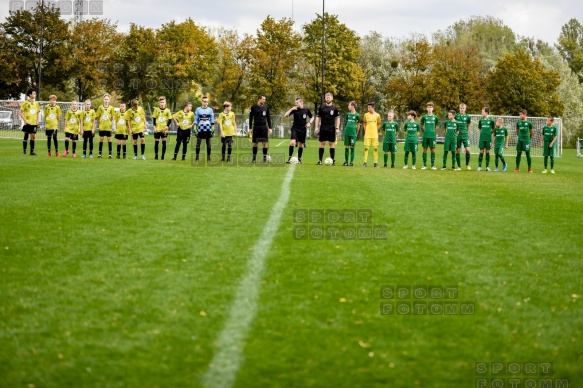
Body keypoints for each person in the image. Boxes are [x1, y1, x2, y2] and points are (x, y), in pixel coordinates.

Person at [284, 98, 313, 164]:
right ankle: (289, 158)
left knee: (301, 145)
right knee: (292, 143)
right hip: (295, 128)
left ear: (301, 102)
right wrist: (291, 109)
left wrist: (309, 123)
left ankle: (299, 159)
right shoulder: (295, 109)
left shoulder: (306, 109)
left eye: (297, 103)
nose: (296, 104)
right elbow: (285, 115)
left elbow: (312, 117)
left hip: (303, 129)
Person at [314, 92, 340, 165]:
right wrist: (316, 127)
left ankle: (332, 160)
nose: (328, 98)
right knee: (322, 143)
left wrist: (337, 128)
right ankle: (320, 160)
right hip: (323, 128)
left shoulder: (335, 108)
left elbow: (337, 118)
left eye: (329, 97)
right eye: (326, 97)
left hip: (331, 128)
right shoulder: (322, 107)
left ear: (332, 98)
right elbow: (318, 117)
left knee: (331, 143)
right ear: (325, 98)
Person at [249, 94, 273, 163]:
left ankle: (265, 158)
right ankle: (254, 159)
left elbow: (268, 118)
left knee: (264, 143)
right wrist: (250, 127)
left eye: (265, 99)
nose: (264, 100)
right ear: (259, 99)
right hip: (256, 127)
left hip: (264, 127)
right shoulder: (253, 107)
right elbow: (251, 118)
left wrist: (270, 127)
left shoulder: (266, 107)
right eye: (263, 99)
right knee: (255, 143)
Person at [20, 88, 40, 156]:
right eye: (34, 93)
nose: (35, 95)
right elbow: (21, 113)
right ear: (30, 94)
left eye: (35, 93)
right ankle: (24, 151)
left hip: (34, 123)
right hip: (27, 123)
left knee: (33, 136)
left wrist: (37, 120)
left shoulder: (36, 103)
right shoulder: (25, 102)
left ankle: (32, 151)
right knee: (26, 136)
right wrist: (25, 120)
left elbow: (37, 112)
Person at [194, 96, 215, 162]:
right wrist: (195, 129)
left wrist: (213, 130)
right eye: (204, 101)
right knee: (198, 144)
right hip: (200, 129)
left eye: (207, 102)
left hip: (208, 129)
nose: (206, 103)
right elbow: (196, 119)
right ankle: (197, 158)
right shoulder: (198, 109)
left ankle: (209, 158)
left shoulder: (210, 110)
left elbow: (212, 121)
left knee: (208, 145)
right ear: (202, 101)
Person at [152, 96, 173, 160]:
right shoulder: (156, 110)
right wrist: (154, 127)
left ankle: (163, 156)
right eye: (161, 102)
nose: (162, 103)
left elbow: (170, 120)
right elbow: (154, 119)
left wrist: (166, 127)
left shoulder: (167, 110)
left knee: (164, 142)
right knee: (156, 142)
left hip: (164, 129)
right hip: (157, 129)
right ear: (159, 103)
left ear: (165, 102)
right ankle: (156, 156)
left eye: (163, 102)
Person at [420, 102, 439, 170]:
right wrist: (424, 132)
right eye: (428, 107)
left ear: (433, 108)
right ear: (426, 108)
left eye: (431, 107)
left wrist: (434, 133)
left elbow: (437, 126)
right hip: (425, 135)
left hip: (432, 136)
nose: (429, 108)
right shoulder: (424, 117)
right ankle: (424, 165)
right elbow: (421, 125)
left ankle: (432, 165)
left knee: (432, 150)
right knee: (424, 149)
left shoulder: (435, 117)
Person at [96, 93, 115, 158]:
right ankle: (99, 154)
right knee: (101, 139)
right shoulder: (100, 107)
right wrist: (101, 120)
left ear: (109, 100)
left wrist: (109, 121)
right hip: (102, 127)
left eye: (107, 99)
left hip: (108, 127)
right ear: (103, 100)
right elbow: (98, 116)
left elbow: (112, 117)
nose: (106, 100)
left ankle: (110, 154)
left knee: (109, 139)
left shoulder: (111, 108)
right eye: (105, 99)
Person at [362, 102, 381, 167]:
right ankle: (365, 162)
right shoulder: (366, 115)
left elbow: (379, 124)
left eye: (369, 107)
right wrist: (366, 130)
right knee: (366, 148)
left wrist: (375, 130)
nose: (368, 108)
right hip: (367, 135)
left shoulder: (378, 115)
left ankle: (375, 163)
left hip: (374, 135)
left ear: (373, 107)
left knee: (375, 148)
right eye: (368, 107)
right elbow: (364, 123)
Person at [477, 107, 495, 171]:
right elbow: (479, 128)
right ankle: (479, 166)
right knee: (481, 151)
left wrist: (489, 133)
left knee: (487, 151)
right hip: (482, 138)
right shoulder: (481, 120)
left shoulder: (491, 120)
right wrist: (482, 133)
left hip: (488, 138)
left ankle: (487, 167)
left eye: (482, 111)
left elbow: (493, 129)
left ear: (486, 112)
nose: (481, 112)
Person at [342, 101, 360, 166]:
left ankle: (351, 162)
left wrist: (356, 133)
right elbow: (346, 122)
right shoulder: (348, 114)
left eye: (349, 105)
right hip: (347, 133)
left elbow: (358, 125)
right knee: (346, 147)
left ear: (353, 106)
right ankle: (346, 162)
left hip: (353, 133)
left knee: (352, 147)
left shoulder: (357, 115)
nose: (348, 107)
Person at [455, 103, 472, 170]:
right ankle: (459, 166)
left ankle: (467, 165)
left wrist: (465, 131)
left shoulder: (467, 116)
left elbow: (468, 126)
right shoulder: (456, 116)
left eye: (463, 108)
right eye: (461, 108)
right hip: (458, 135)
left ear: (465, 109)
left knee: (467, 150)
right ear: (459, 109)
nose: (462, 109)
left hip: (465, 135)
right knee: (458, 150)